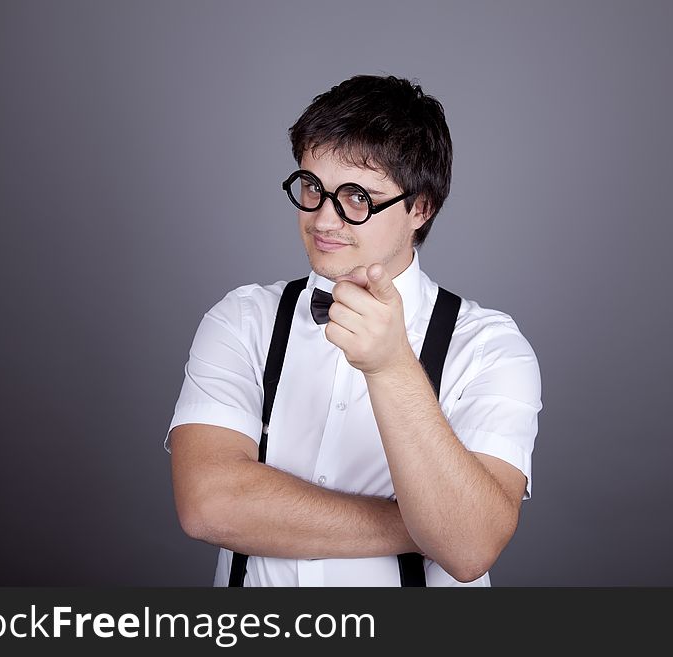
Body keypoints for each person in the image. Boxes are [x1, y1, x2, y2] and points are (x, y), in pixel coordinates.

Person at [163, 74, 543, 586]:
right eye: (312, 187)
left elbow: (470, 547)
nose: (323, 219)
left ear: (421, 207)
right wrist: (419, 526)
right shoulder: (242, 320)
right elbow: (210, 505)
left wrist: (392, 368)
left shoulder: (490, 348)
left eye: (358, 197)